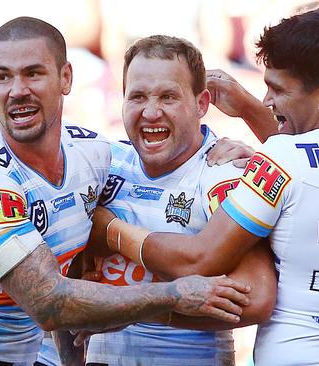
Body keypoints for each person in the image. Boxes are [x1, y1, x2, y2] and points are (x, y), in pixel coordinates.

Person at [0, 16, 251, 366]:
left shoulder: (93, 155)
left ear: (66, 77)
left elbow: (168, 166)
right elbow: (49, 301)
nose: (17, 90)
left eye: (33, 73)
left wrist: (227, 151)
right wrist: (174, 296)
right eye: (3, 77)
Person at [95, 6, 319, 365]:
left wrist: (111, 231)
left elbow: (200, 257)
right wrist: (246, 110)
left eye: (278, 90)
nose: (268, 101)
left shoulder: (285, 159)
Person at [56, 35, 276, 366]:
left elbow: (256, 297)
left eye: (168, 97)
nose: (151, 112)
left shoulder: (222, 172)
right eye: (138, 97)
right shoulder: (103, 164)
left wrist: (133, 308)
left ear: (202, 104)